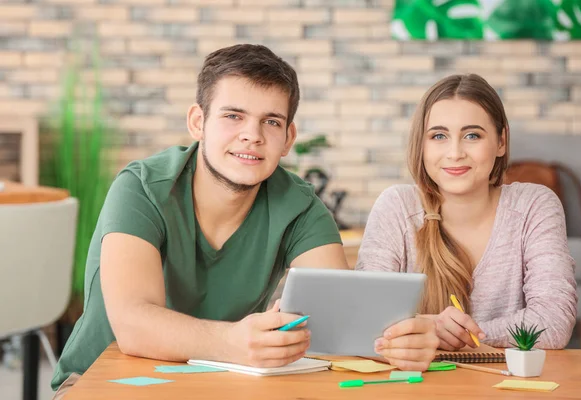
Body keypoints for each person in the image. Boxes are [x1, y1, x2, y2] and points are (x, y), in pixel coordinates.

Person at [51, 44, 438, 397]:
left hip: (221, 385)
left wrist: (399, 342)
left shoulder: (300, 208)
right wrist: (233, 341)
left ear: (288, 138)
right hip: (100, 383)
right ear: (198, 122)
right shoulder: (141, 188)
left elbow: (343, 324)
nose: (251, 135)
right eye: (233, 116)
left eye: (271, 122)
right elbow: (134, 327)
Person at [356, 73, 577, 351]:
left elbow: (553, 322)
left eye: (472, 135)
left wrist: (453, 335)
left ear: (501, 141)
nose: (455, 152)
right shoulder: (397, 206)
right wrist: (432, 327)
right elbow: (364, 321)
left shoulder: (534, 205)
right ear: (421, 146)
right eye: (438, 136)